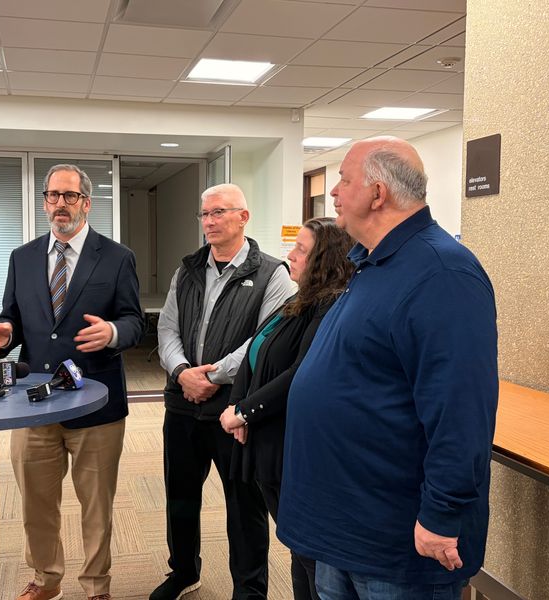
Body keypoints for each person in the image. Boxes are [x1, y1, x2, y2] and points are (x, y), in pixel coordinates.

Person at [277, 137, 498, 600]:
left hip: (395, 541)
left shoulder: (442, 274)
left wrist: (442, 514)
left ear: (378, 194)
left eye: (344, 179)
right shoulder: (374, 265)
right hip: (345, 526)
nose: (333, 192)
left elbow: (461, 412)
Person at [0, 164, 144, 600]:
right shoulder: (23, 257)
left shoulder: (116, 257)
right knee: (36, 502)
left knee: (96, 505)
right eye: (52, 195)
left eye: (69, 196)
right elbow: (11, 318)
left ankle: (96, 586)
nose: (60, 203)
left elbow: (134, 321)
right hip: (34, 403)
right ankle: (45, 579)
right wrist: (3, 335)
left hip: (96, 401)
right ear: (44, 202)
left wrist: (113, 332)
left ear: (86, 203)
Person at [152, 183, 294, 600]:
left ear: (243, 217)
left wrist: (211, 377)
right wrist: (181, 373)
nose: (210, 222)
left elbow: (267, 341)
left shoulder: (273, 273)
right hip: (181, 405)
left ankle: (250, 589)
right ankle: (183, 571)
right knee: (179, 496)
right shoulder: (188, 269)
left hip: (234, 411)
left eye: (219, 213)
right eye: (205, 215)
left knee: (244, 506)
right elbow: (167, 328)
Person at [219, 217, 354, 600]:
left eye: (301, 250)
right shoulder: (298, 300)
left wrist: (246, 412)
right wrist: (238, 405)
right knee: (296, 545)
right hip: (263, 437)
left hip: (288, 446)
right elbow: (255, 352)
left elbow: (300, 372)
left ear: (325, 260)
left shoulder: (330, 308)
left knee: (308, 553)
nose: (289, 256)